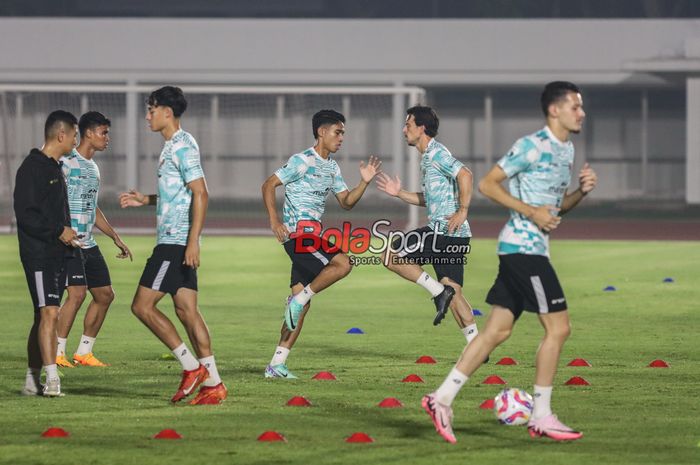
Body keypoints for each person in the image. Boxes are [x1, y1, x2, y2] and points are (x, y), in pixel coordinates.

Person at [421, 81, 598, 443]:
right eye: (575, 107)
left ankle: (440, 399)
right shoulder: (531, 146)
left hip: (528, 249)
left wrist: (581, 191)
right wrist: (530, 211)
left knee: (496, 332)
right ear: (555, 110)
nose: (581, 113)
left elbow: (557, 206)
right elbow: (488, 184)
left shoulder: (566, 150)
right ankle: (542, 415)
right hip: (523, 250)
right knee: (559, 329)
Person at [119, 86, 226, 405]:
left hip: (175, 242)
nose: (147, 116)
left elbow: (201, 193)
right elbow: (179, 194)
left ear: (167, 111)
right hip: (177, 239)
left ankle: (191, 367)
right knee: (187, 311)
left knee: (141, 306)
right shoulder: (171, 147)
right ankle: (215, 385)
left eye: (151, 110)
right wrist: (146, 199)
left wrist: (192, 242)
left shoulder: (182, 146)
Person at [262, 109, 381, 379]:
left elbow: (346, 203)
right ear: (321, 132)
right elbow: (268, 184)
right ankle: (298, 300)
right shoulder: (301, 161)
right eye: (338, 132)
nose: (341, 138)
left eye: (343, 134)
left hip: (312, 237)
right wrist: (274, 221)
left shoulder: (332, 168)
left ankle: (276, 364)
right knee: (344, 263)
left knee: (301, 305)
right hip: (299, 236)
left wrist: (364, 182)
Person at [376, 105, 480, 344]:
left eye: (408, 125)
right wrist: (399, 193)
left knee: (389, 255)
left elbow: (466, 174)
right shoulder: (428, 157)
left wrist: (463, 210)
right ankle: (477, 346)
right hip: (455, 235)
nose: (404, 130)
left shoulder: (436, 154)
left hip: (442, 232)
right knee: (454, 294)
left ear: (422, 128)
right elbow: (429, 199)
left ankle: (437, 292)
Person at [56, 111, 132, 368]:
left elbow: (92, 207)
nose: (107, 138)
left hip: (88, 243)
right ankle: (57, 352)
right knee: (76, 295)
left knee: (105, 295)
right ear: (88, 133)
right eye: (104, 132)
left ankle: (84, 352)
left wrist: (115, 237)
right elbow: (52, 200)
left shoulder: (93, 168)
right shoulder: (65, 161)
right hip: (68, 242)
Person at [14, 110, 80, 397]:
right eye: (75, 134)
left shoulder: (56, 167)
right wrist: (58, 231)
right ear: (61, 135)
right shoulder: (32, 168)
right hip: (39, 254)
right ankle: (52, 381)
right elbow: (26, 215)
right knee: (49, 312)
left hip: (58, 252)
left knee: (43, 316)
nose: (76, 140)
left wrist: (67, 234)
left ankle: (32, 378)